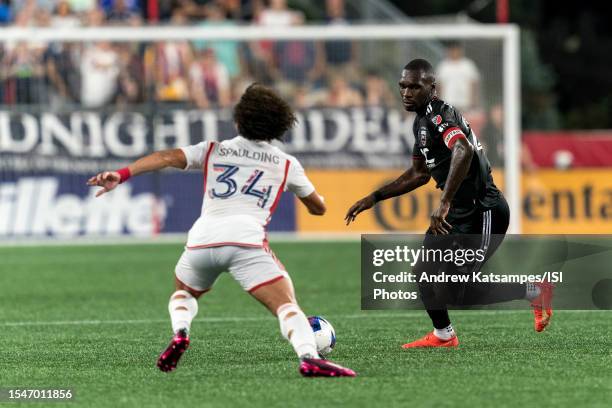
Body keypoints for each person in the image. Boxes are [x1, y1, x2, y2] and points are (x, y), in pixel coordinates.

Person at [87, 84, 356, 377]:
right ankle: (308, 356)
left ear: (238, 120)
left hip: (202, 239)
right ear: (278, 127)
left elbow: (165, 157)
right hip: (246, 242)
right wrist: (317, 201)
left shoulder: (214, 149)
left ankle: (180, 333)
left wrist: (122, 174)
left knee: (184, 293)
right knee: (286, 305)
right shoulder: (287, 163)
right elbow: (318, 208)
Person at [345, 59, 553, 348]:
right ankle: (444, 335)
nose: (406, 92)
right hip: (456, 212)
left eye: (414, 87)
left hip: (483, 210)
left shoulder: (439, 116)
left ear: (432, 88)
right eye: (403, 86)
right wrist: (375, 197)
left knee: (460, 289)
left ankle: (533, 290)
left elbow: (462, 148)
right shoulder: (421, 122)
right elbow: (419, 174)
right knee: (422, 272)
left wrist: (443, 202)